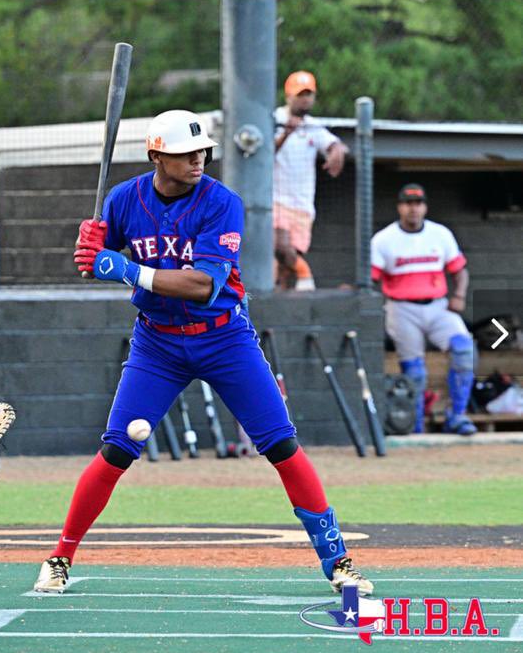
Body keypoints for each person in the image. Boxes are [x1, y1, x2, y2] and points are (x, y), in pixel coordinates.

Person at [35, 109, 373, 596]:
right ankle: (60, 556)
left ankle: (338, 561)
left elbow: (202, 284)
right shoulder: (123, 200)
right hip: (157, 342)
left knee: (281, 444)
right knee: (115, 450)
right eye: (183, 153)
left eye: (202, 151)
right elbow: (98, 259)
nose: (197, 159)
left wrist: (126, 270)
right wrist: (89, 249)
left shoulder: (222, 202)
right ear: (156, 156)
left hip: (223, 337)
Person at [370, 184, 477, 435]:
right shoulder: (384, 239)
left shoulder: (440, 234)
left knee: (464, 349)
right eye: (407, 203)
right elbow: (371, 278)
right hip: (401, 307)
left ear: (425, 207)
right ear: (400, 207)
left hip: (438, 304)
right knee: (415, 371)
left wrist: (459, 295)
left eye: (417, 203)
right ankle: (416, 425)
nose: (413, 208)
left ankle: (456, 416)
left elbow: (459, 270)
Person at [273, 70, 348, 291]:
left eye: (309, 94)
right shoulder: (275, 119)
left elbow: (335, 144)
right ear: (288, 96)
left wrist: (337, 152)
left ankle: (280, 308)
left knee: (286, 264)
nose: (305, 99)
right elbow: (263, 156)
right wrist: (286, 133)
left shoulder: (313, 125)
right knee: (281, 246)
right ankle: (306, 276)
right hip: (277, 198)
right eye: (300, 94)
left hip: (303, 203)